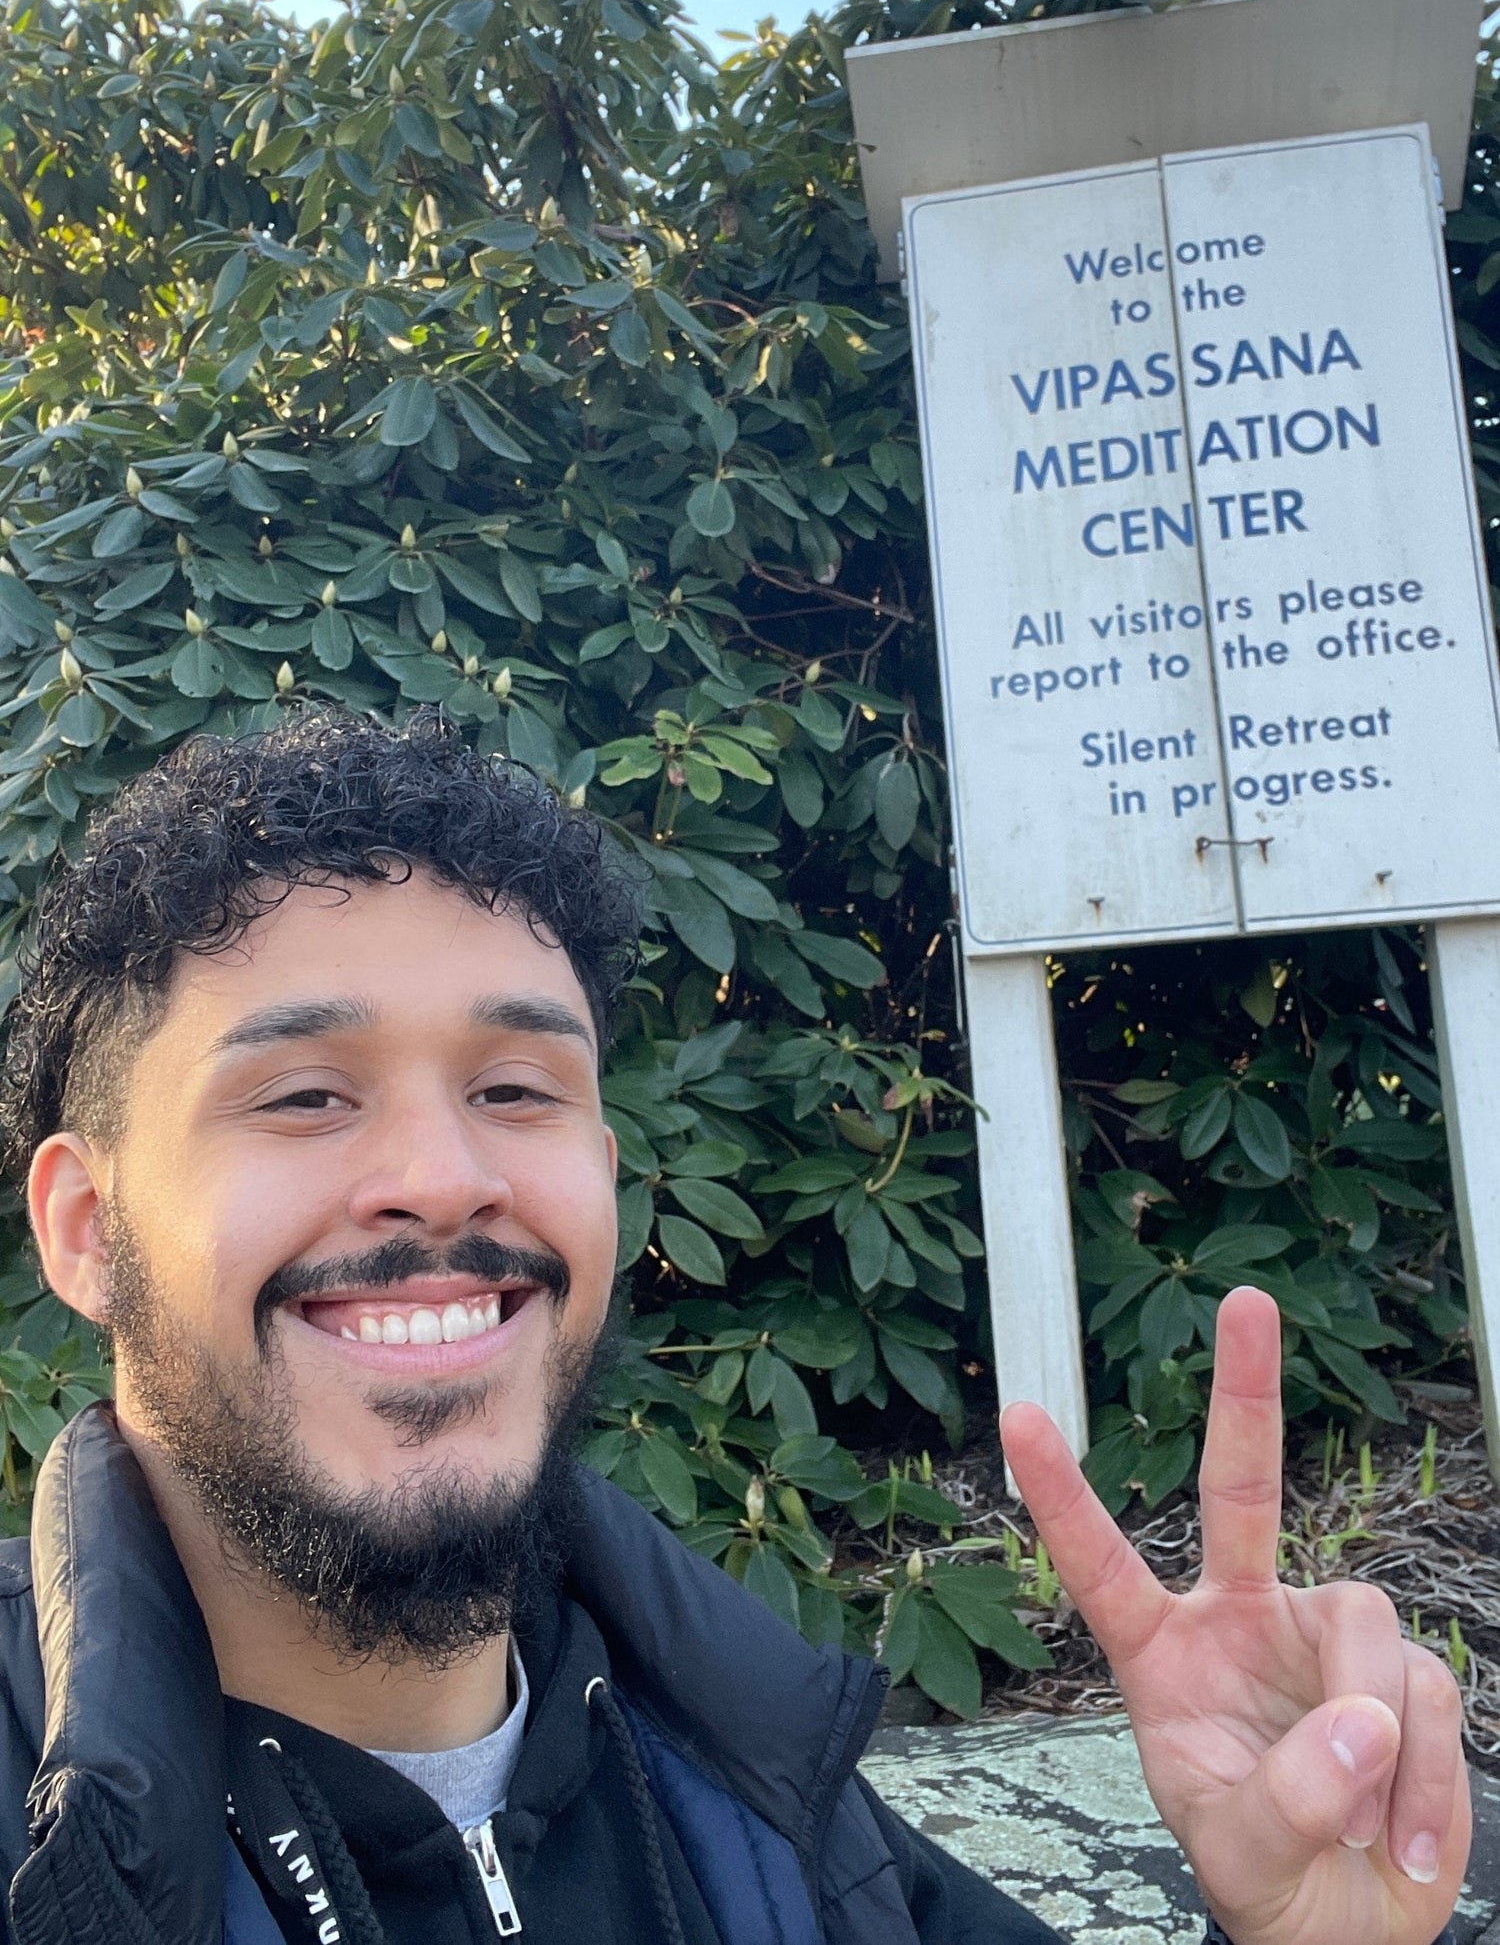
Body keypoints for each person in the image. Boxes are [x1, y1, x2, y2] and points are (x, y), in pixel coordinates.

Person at [0, 707, 1468, 1945]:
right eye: (306, 1094)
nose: (447, 1177)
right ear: (84, 1228)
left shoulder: (769, 1790)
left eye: (518, 1090)